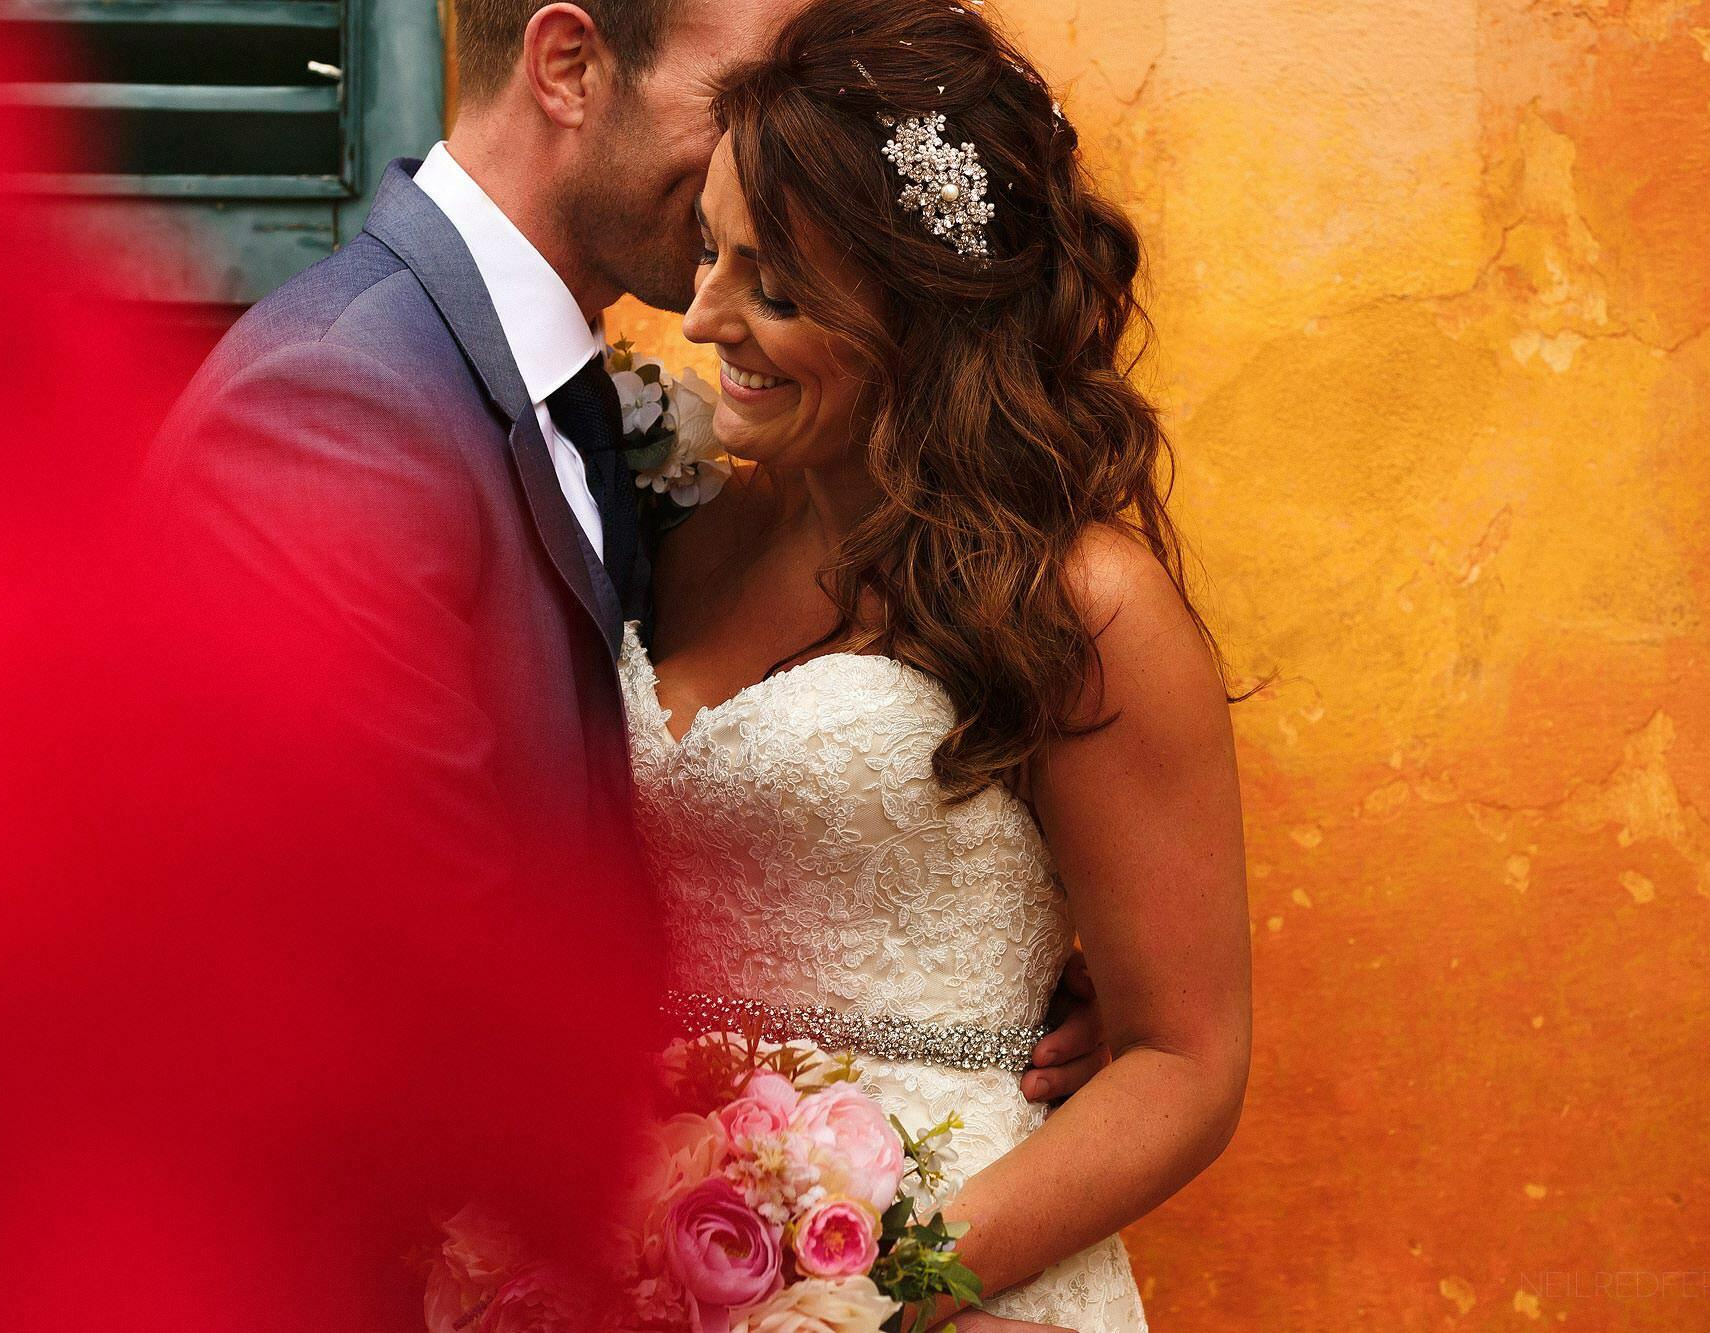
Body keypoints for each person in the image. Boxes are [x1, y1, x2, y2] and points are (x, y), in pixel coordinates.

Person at [142, 2, 1108, 1326]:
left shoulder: (580, 396)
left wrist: (969, 1000)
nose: (772, 152)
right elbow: (403, 965)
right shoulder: (337, 404)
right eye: (742, 94)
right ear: (570, 65)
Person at [622, 0, 1254, 1326]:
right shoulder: (673, 523)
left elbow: (1183, 1060)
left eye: (775, 288)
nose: (702, 316)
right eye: (709, 255)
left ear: (920, 315)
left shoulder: (1082, 606)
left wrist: (868, 1288)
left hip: (939, 1284)